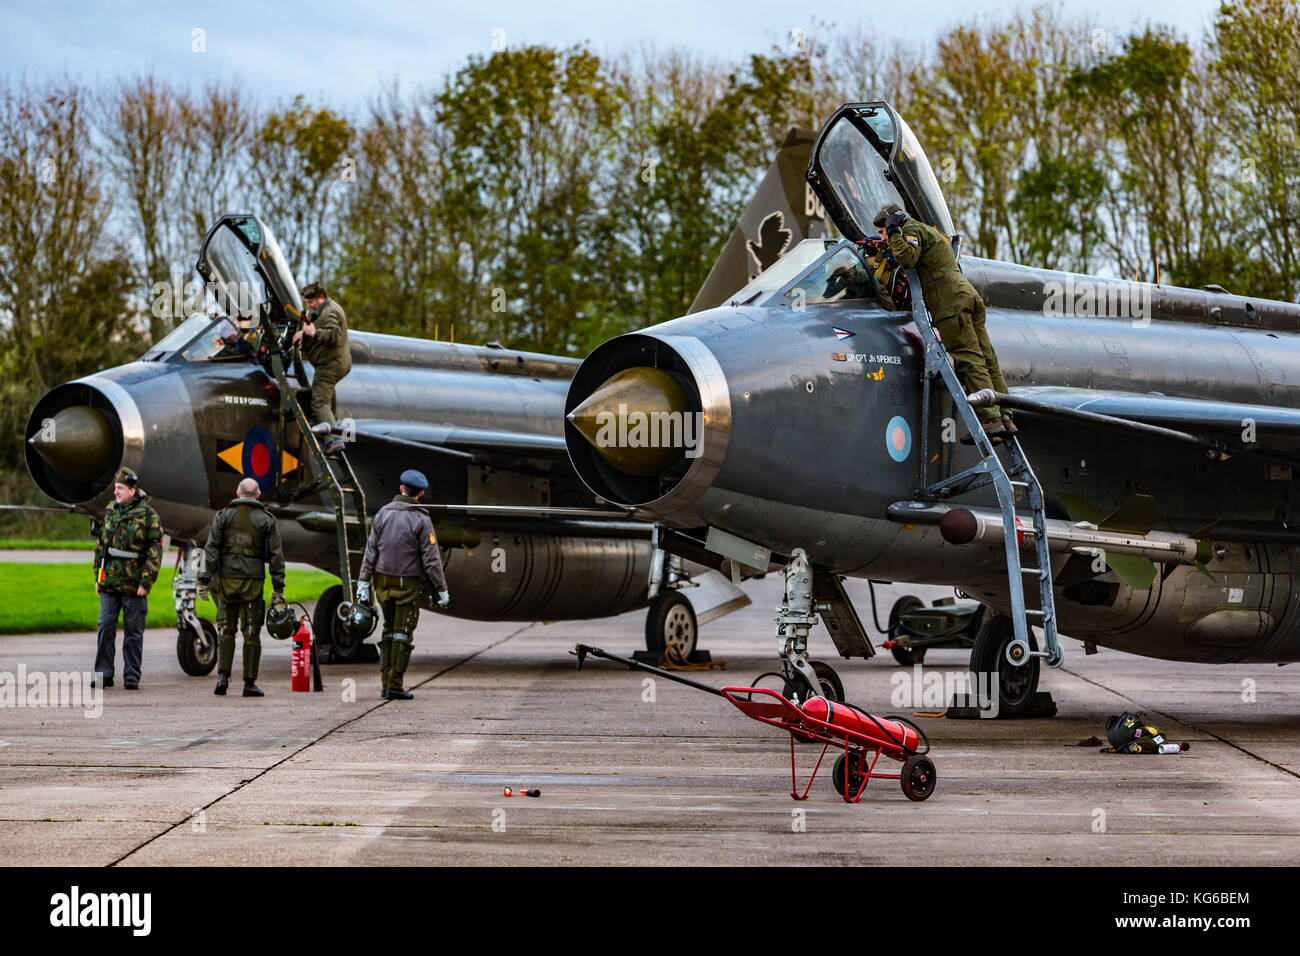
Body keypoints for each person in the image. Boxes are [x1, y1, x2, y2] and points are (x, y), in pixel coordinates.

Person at [876, 203, 1016, 443]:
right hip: (966, 294)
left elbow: (907, 258)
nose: (882, 238)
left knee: (968, 358)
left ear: (891, 223)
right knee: (987, 357)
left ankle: (989, 420)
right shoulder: (927, 231)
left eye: (882, 231)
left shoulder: (911, 231)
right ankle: (1005, 417)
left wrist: (895, 233)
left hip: (950, 302)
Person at [357, 469, 449, 700]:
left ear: (401, 489)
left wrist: (362, 581)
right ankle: (395, 685)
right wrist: (441, 589)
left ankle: (385, 683)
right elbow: (431, 559)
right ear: (420, 493)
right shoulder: (421, 518)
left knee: (388, 631)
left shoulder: (382, 514)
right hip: (406, 586)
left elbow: (371, 552)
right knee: (402, 634)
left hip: (382, 585)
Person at [199, 477, 287, 697]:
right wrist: (278, 589)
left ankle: (222, 678)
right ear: (257, 495)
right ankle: (249, 683)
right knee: (251, 632)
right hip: (253, 582)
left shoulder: (223, 516)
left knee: (225, 629)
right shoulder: (266, 519)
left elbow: (211, 550)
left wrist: (203, 579)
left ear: (238, 494)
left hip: (227, 581)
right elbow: (276, 557)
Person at [93, 467, 163, 690]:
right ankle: (103, 673)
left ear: (133, 490)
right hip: (110, 582)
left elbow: (155, 551)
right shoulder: (111, 511)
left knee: (133, 633)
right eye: (115, 488)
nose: (116, 492)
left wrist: (146, 582)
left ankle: (131, 675)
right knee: (105, 626)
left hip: (134, 584)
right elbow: (102, 547)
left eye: (120, 488)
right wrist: (98, 576)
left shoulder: (148, 515)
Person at [293, 280, 352, 455]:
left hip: (330, 365)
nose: (309, 306)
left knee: (318, 401)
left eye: (311, 302)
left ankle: (333, 440)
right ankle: (333, 429)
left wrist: (313, 333)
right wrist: (304, 332)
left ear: (321, 298)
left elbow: (334, 335)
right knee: (326, 398)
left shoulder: (331, 311)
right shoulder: (323, 310)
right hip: (333, 363)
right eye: (307, 302)